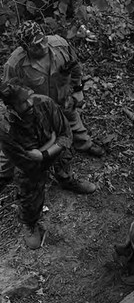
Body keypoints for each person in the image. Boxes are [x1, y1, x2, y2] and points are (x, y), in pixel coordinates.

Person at [0, 20, 104, 191]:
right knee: (29, 144)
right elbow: (8, 93)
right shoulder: (15, 65)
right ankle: (5, 175)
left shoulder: (60, 45)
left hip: (63, 100)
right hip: (37, 112)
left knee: (74, 125)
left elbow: (74, 66)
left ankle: (84, 146)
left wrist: (77, 89)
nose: (42, 46)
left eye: (43, 39)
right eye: (36, 45)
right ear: (25, 48)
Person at [0, 80, 96, 249]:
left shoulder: (44, 102)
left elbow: (65, 135)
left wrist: (44, 152)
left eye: (29, 97)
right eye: (22, 102)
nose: (30, 103)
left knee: (65, 158)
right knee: (28, 188)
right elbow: (26, 160)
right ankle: (30, 222)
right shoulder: (6, 127)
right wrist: (51, 142)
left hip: (53, 151)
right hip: (31, 166)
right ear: (11, 107)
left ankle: (66, 180)